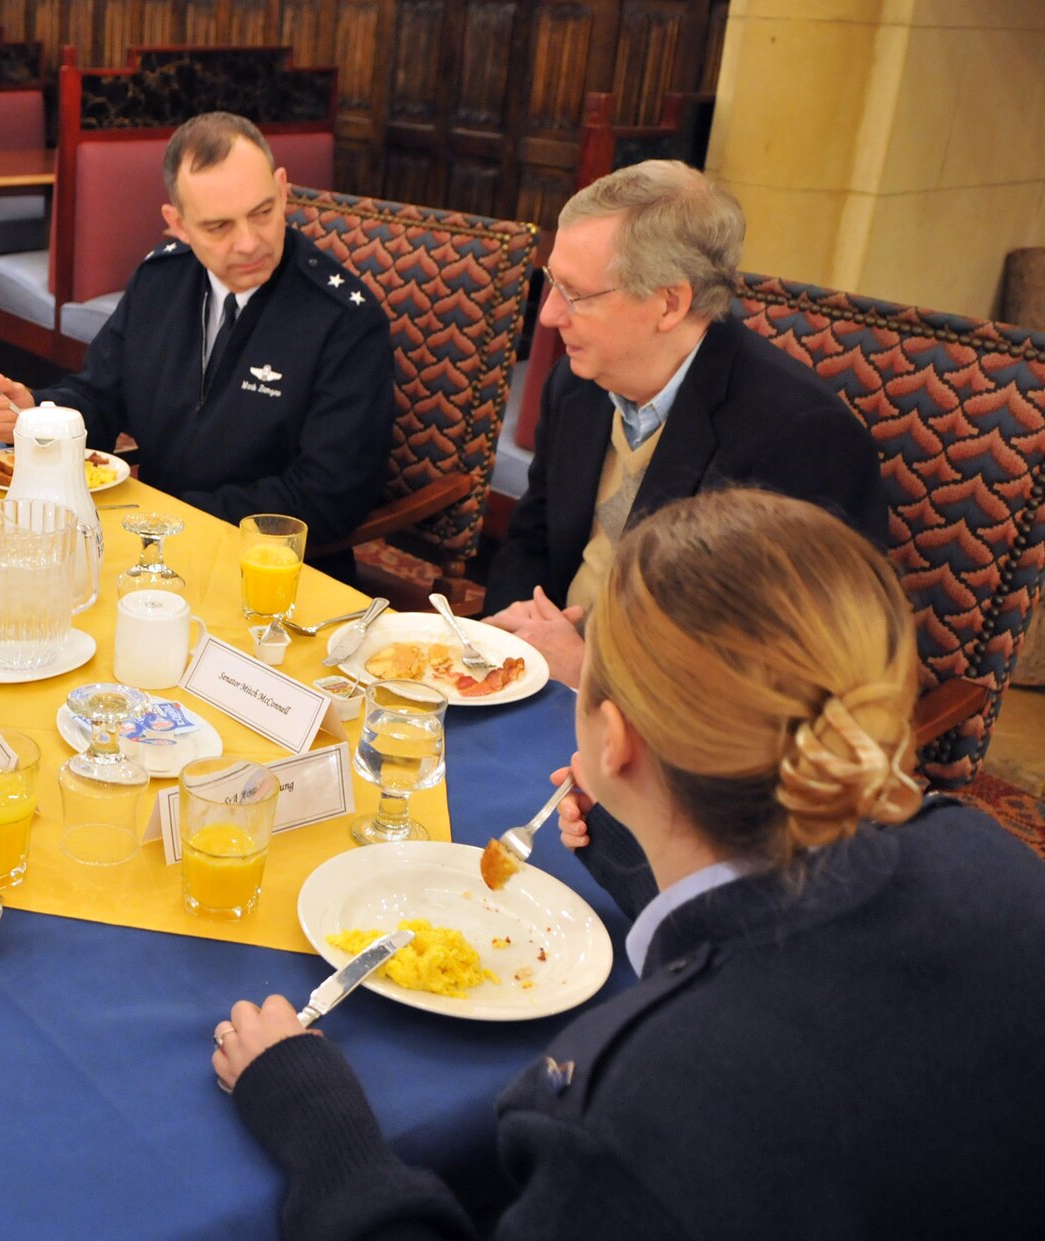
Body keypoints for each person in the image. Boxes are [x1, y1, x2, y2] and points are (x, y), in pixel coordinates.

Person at [212, 488, 1045, 1240]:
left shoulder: (645, 1101)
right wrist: (645, 853)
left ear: (615, 741)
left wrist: (323, 1129)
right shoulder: (986, 854)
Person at [484, 160, 885, 685]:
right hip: (545, 683)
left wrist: (592, 678)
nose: (550, 316)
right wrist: (508, 642)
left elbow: (788, 665)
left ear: (670, 303)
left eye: (576, 294)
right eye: (551, 284)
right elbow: (532, 541)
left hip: (675, 737)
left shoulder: (803, 437)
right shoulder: (576, 384)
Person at [0, 112, 392, 574]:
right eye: (218, 227)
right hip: (150, 554)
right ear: (178, 224)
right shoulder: (161, 280)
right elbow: (102, 396)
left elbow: (329, 497)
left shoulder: (343, 320)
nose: (250, 243)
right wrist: (38, 412)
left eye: (263, 212)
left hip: (270, 573)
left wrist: (169, 518)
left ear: (283, 189)